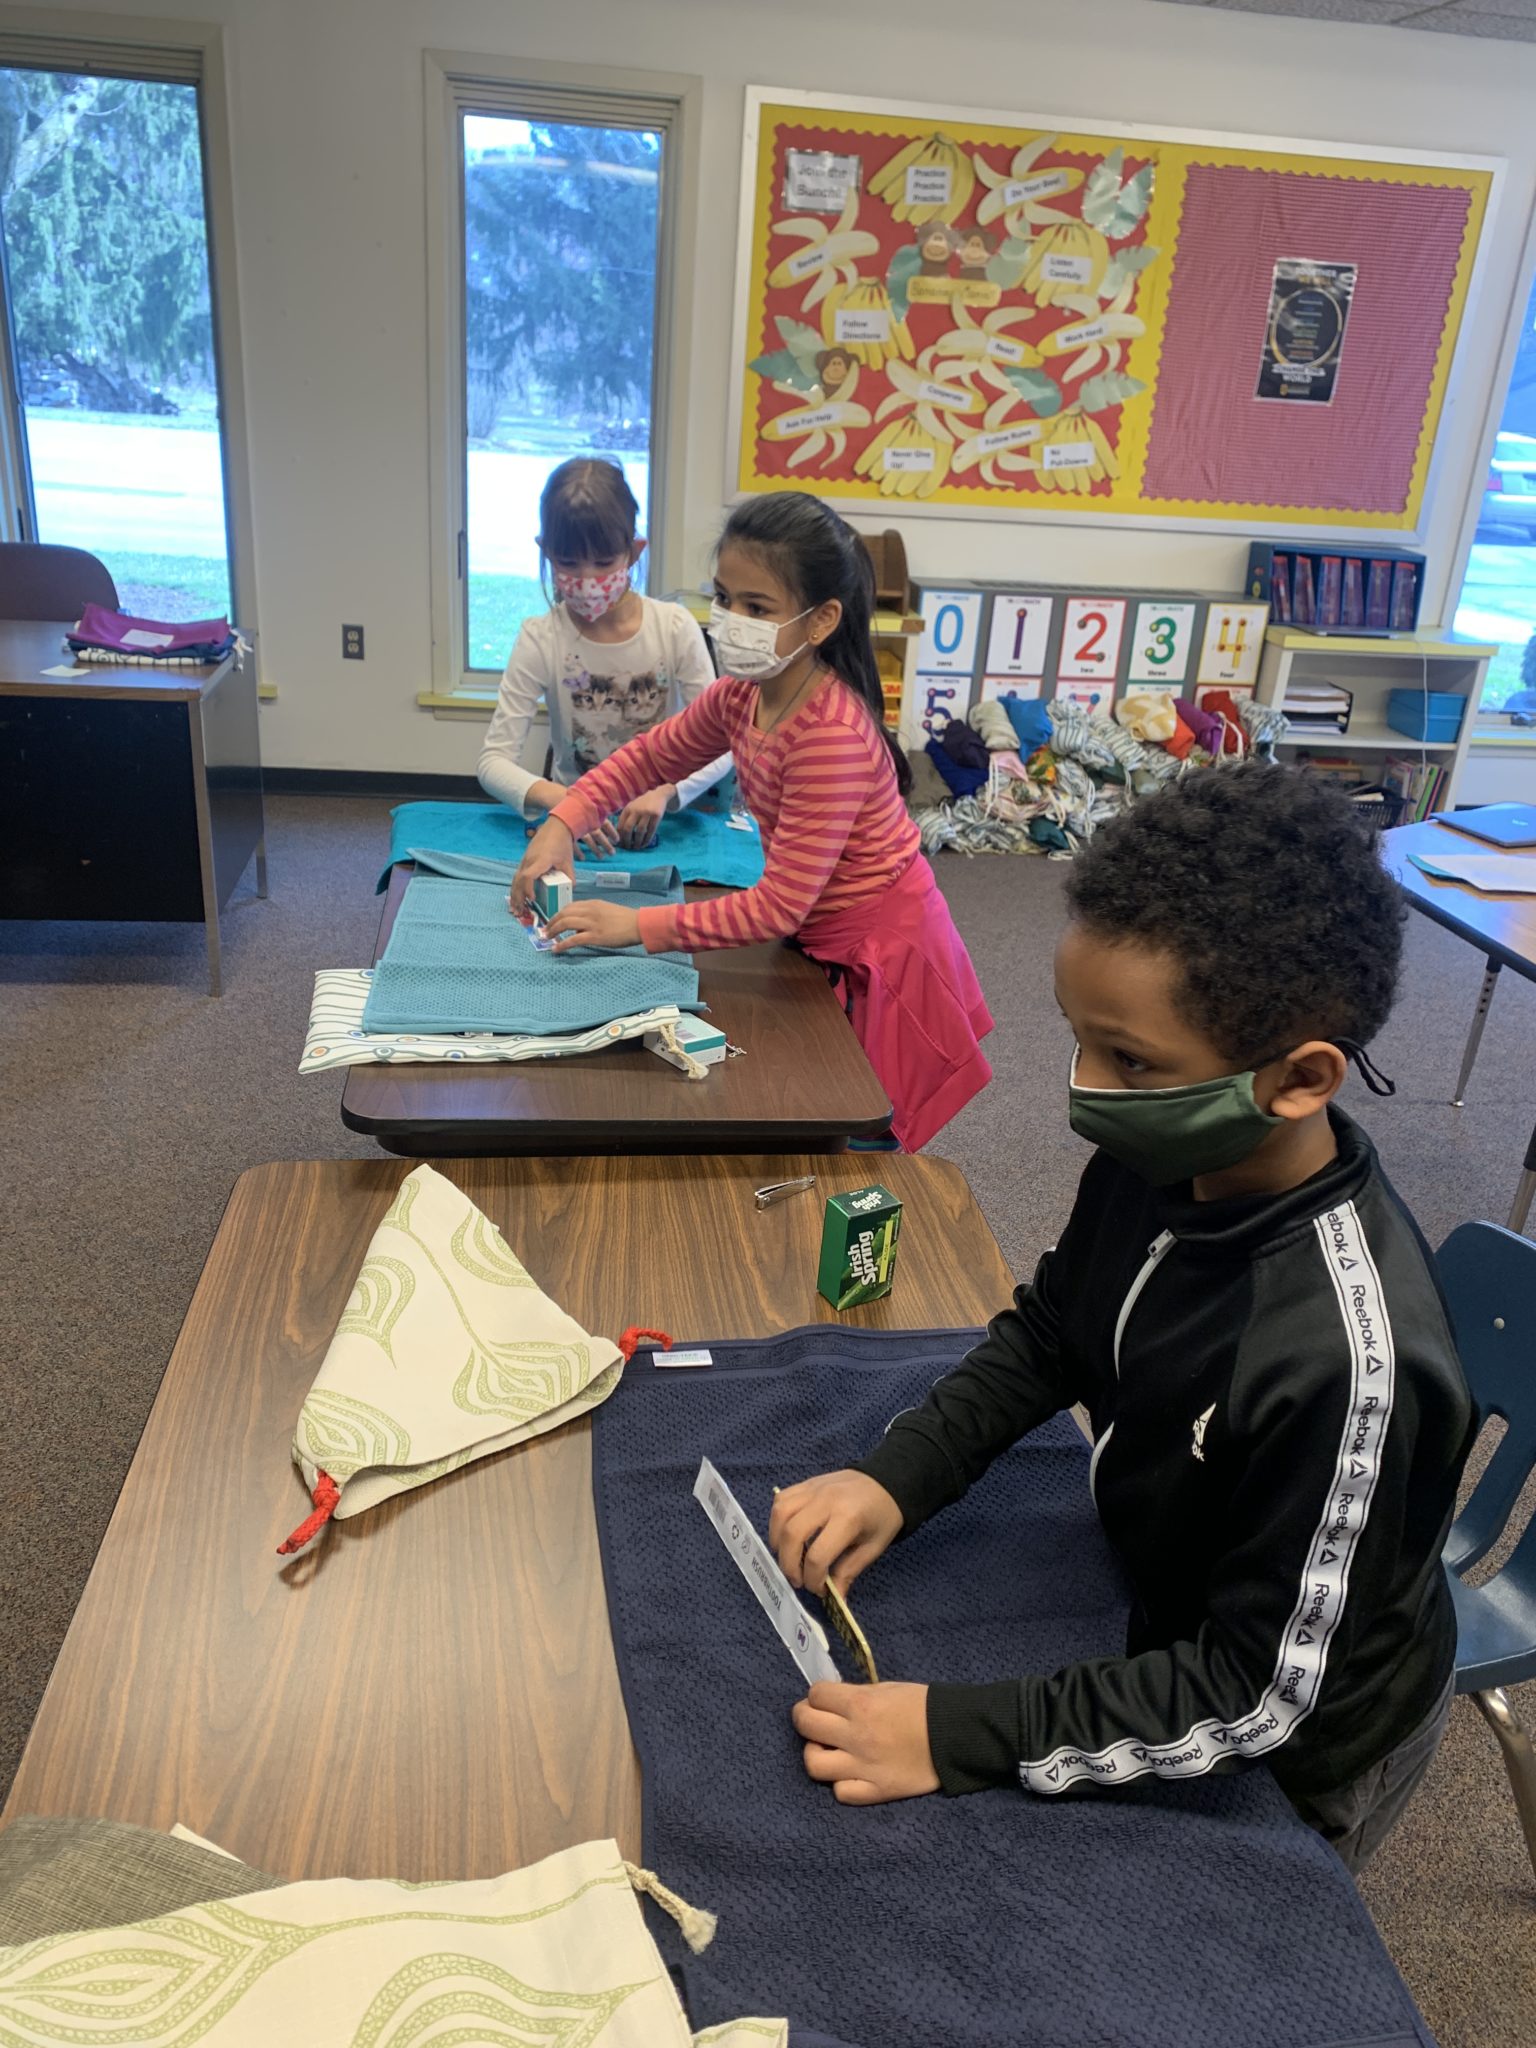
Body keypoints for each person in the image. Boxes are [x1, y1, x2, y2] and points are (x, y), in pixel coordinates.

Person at [768, 764, 1475, 1872]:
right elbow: (1057, 1328)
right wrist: (898, 1473)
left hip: (1292, 1742)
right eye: (1082, 1038)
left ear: (1299, 1079)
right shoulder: (1167, 1147)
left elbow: (1258, 1697)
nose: (1083, 1091)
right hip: (1163, 1592)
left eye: (1131, 1062)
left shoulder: (1343, 1363)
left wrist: (955, 1734)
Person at [510, 490, 992, 1154]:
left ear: (821, 620)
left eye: (756, 608)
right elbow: (655, 754)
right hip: (827, 933)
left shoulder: (830, 734)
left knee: (857, 1130)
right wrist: (563, 819)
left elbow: (778, 908)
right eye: (724, 598)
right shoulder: (743, 693)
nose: (730, 620)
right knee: (813, 1099)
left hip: (881, 954)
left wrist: (636, 927)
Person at [478, 457, 729, 851]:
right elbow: (493, 763)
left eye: (603, 562)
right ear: (545, 552)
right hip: (575, 829)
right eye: (569, 563)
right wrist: (567, 804)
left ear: (634, 551)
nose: (588, 580)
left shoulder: (674, 628)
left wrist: (665, 792)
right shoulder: (540, 637)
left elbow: (725, 744)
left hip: (661, 827)